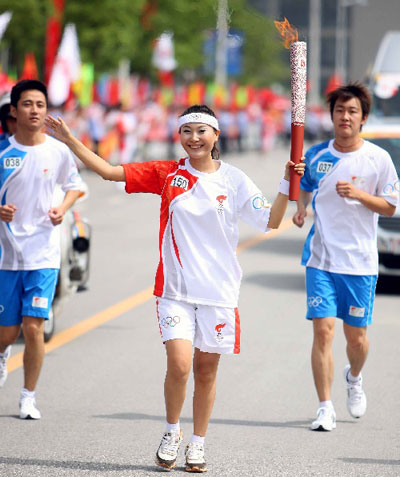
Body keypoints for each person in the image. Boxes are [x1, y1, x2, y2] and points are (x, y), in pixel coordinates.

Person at [45, 104, 305, 472]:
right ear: (179, 136)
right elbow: (107, 172)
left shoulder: (234, 180)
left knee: (206, 370)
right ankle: (172, 431)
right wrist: (71, 139)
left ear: (216, 135)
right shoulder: (167, 173)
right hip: (176, 291)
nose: (194, 138)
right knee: (180, 365)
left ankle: (198, 443)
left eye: (202, 131)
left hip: (218, 292)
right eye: (187, 131)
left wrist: (284, 184)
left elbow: (272, 220)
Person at [292, 83, 399, 432]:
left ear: (363, 117)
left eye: (352, 111)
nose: (345, 116)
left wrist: (359, 195)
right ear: (332, 115)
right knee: (323, 332)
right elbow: (305, 186)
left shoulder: (377, 159)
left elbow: (390, 205)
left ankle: (354, 377)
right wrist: (300, 209)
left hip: (360, 263)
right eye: (340, 110)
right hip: (321, 259)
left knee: (356, 340)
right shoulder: (318, 154)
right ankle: (325, 407)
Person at [0, 80, 84, 419]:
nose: (35, 110)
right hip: (6, 255)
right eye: (27, 104)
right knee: (7, 331)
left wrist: (63, 207)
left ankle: (28, 396)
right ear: (14, 111)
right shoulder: (3, 153)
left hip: (44, 254)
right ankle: (3, 352)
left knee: (34, 326)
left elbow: (75, 186)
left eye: (40, 104)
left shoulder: (58, 150)